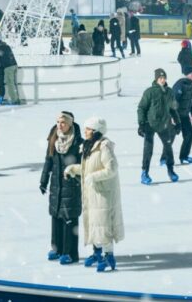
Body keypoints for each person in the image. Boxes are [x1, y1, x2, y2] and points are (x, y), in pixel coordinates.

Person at [63, 116, 122, 272]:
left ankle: (109, 256)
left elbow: (112, 169)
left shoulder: (104, 147)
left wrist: (93, 177)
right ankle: (97, 253)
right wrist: (73, 169)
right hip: (91, 193)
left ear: (96, 131)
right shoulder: (88, 146)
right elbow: (87, 169)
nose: (85, 131)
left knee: (103, 225)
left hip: (103, 194)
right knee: (94, 223)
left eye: (88, 129)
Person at [40, 111, 83, 264]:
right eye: (58, 122)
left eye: (63, 122)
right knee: (56, 217)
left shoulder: (78, 142)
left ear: (70, 124)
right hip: (56, 186)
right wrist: (43, 180)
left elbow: (82, 165)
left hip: (71, 185)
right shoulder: (54, 139)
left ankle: (70, 252)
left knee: (69, 219)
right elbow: (48, 161)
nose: (60, 125)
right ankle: (56, 249)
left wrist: (76, 177)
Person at [137, 68, 179, 184]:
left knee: (168, 147)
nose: (162, 80)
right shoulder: (149, 92)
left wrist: (178, 122)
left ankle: (171, 170)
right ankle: (144, 172)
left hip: (164, 124)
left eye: (164, 78)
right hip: (149, 124)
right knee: (148, 149)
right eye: (160, 78)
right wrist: (141, 124)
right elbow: (141, 108)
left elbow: (173, 109)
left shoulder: (169, 92)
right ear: (156, 79)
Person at [172, 66, 192, 164]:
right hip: (176, 115)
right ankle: (164, 158)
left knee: (189, 134)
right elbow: (173, 101)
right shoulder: (180, 84)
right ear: (186, 74)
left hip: (185, 115)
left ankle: (184, 156)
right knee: (171, 137)